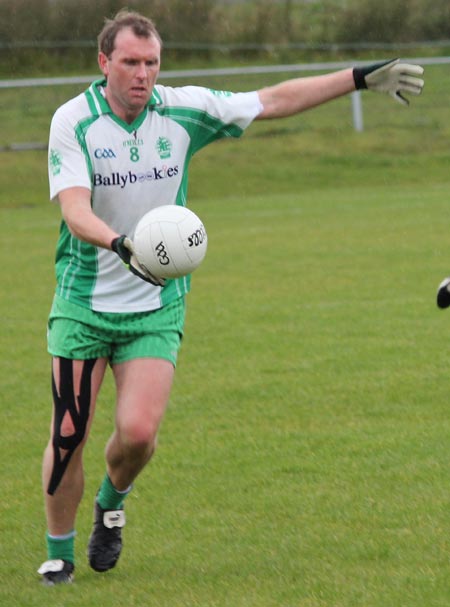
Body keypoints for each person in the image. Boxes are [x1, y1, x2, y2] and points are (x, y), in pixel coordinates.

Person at [37, 8, 424, 586]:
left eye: (151, 63)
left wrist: (360, 77)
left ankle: (111, 503)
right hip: (84, 303)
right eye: (130, 62)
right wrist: (122, 244)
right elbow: (74, 209)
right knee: (69, 434)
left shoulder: (181, 111)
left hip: (155, 304)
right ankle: (59, 555)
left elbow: (271, 100)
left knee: (139, 434)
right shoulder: (75, 121)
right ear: (104, 62)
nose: (142, 74)